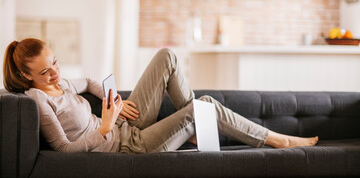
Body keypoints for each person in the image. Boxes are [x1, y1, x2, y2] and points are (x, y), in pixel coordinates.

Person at [3, 38, 318, 154]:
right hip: (128, 146)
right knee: (204, 107)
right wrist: (103, 129)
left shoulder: (61, 85)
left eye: (55, 62)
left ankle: (196, 130)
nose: (55, 73)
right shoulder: (38, 100)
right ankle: (278, 140)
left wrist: (114, 99)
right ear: (26, 75)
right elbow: (63, 149)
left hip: (127, 125)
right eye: (45, 72)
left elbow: (86, 80)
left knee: (166, 56)